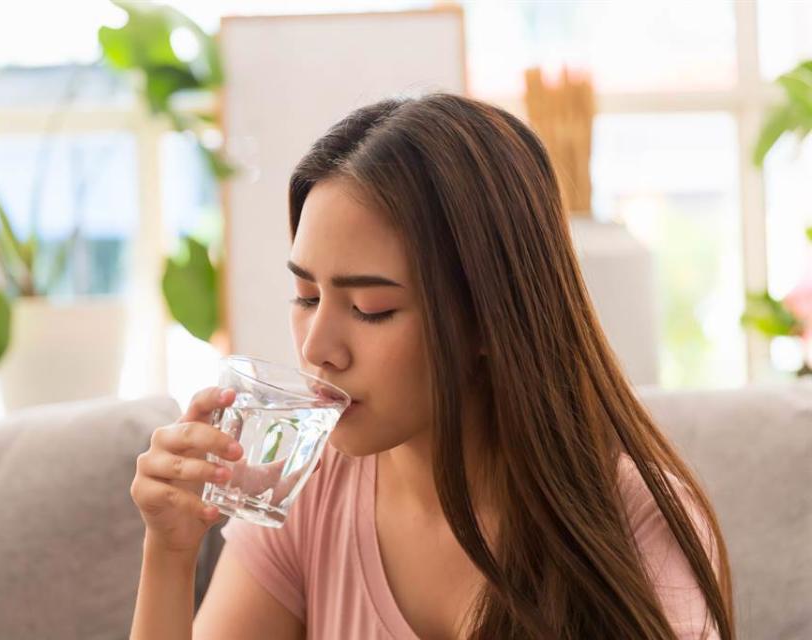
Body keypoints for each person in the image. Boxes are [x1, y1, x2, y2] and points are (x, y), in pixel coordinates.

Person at [128, 93, 735, 640]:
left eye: (371, 308)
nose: (318, 347)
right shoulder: (307, 495)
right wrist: (170, 553)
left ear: (486, 319)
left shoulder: (635, 525)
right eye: (308, 297)